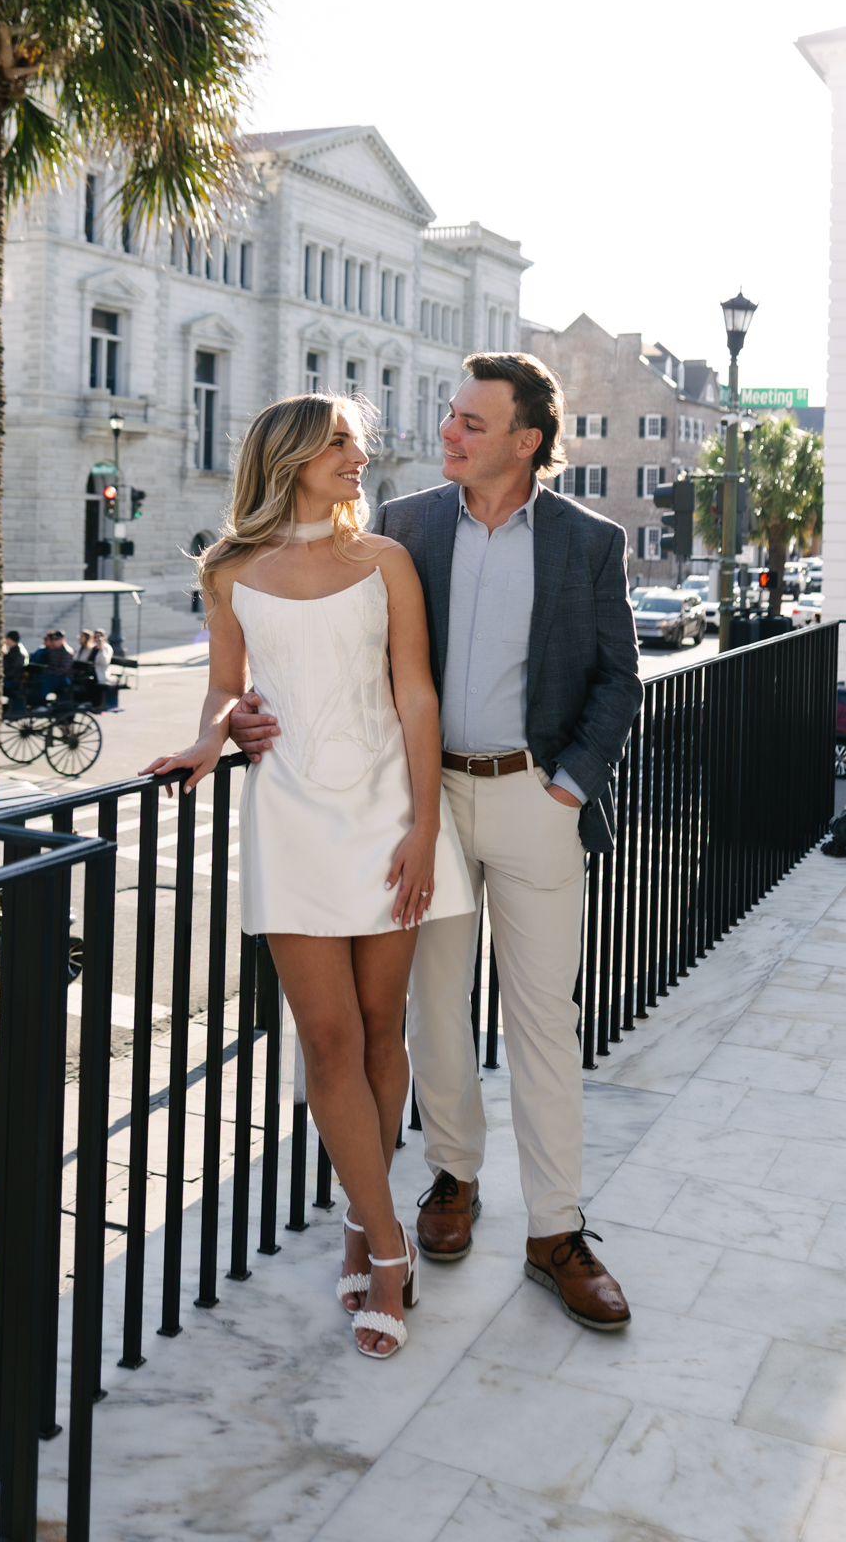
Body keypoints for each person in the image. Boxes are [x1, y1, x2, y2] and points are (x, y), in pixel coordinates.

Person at [231, 353, 642, 1333]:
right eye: (451, 417)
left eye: (468, 420)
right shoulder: (404, 525)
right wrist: (248, 711)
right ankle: (449, 1181)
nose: (447, 432)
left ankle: (557, 1230)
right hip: (419, 804)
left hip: (535, 798)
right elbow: (333, 645)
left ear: (525, 440)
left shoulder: (588, 540)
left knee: (545, 1014)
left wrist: (567, 783)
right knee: (433, 1012)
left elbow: (619, 678)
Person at [142, 393, 474, 1361]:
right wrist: (208, 741)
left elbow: (416, 690)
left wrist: (423, 827)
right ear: (288, 455)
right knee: (326, 1039)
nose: (357, 454)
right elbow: (226, 682)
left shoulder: (387, 560)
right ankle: (389, 1245)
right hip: (291, 815)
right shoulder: (230, 568)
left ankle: (363, 1222)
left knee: (381, 1030)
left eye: (357, 442)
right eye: (338, 441)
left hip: (388, 816)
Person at [2, 631, 29, 715]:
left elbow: (13, 671)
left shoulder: (18, 652)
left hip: (14, 681)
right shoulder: (12, 650)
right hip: (11, 679)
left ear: (10, 639)